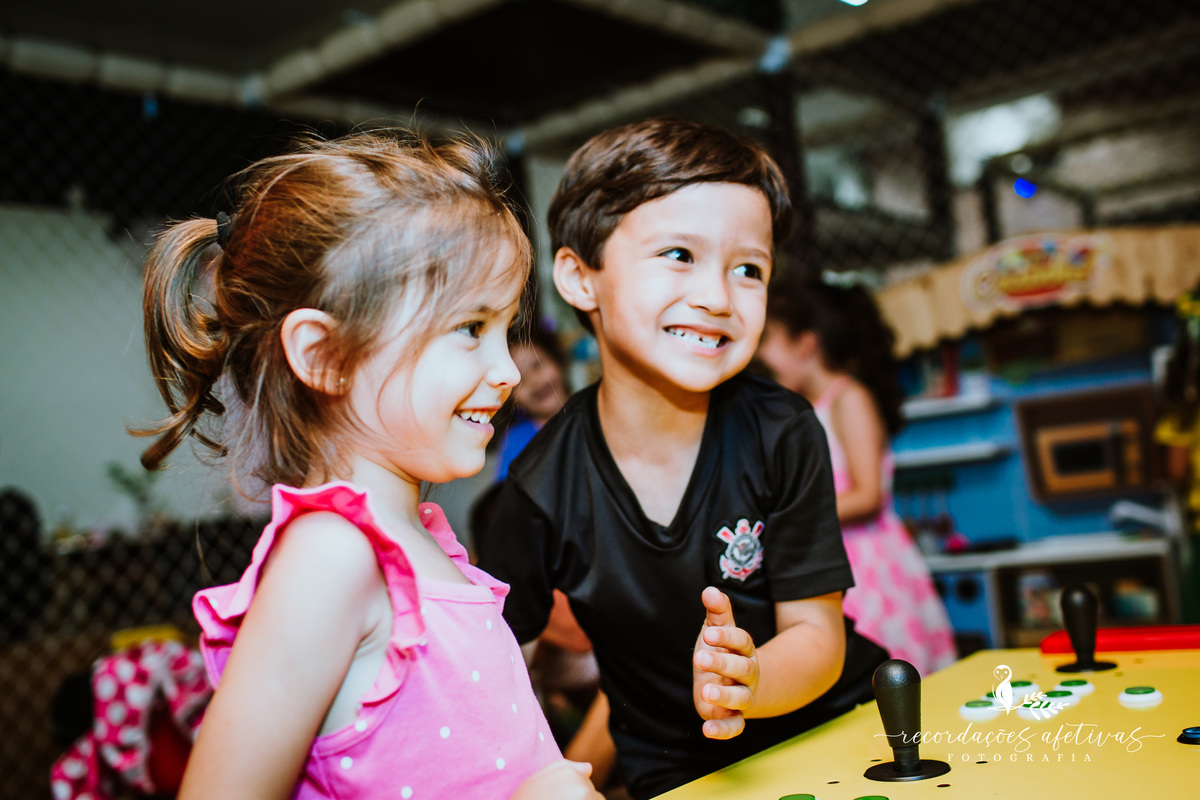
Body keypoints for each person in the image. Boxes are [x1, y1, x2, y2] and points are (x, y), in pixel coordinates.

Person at [134, 129, 602, 800]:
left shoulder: (420, 541)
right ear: (326, 355)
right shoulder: (331, 558)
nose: (504, 372)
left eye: (505, 331)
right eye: (470, 329)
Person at [477, 117, 888, 800]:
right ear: (581, 279)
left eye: (748, 268)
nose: (718, 297)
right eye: (678, 254)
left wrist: (750, 681)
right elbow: (492, 672)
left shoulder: (782, 430)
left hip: (840, 726)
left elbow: (817, 636)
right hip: (679, 775)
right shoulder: (538, 489)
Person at [757, 272, 957, 677]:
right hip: (828, 556)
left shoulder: (848, 398)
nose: (759, 356)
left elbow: (868, 495)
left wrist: (786, 517)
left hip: (866, 566)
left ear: (806, 345)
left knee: (883, 674)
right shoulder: (803, 408)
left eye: (766, 341)